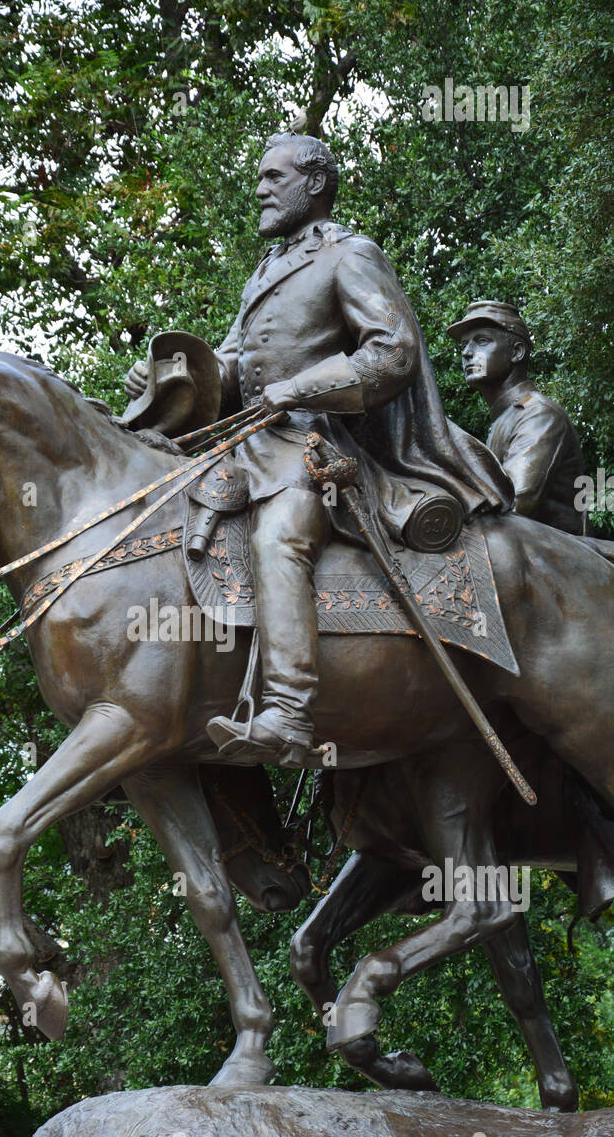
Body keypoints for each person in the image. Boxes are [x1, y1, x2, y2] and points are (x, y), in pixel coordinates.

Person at [126, 133, 513, 765]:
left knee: (279, 537)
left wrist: (298, 388)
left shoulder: (351, 255)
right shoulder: (265, 271)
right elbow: (231, 367)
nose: (259, 190)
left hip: (312, 446)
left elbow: (393, 352)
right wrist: (173, 376)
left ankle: (287, 713)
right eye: (260, 177)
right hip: (245, 443)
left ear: (313, 185)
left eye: (273, 178)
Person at [447, 300, 586, 534]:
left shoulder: (539, 415)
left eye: (482, 341)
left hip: (556, 562)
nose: (467, 352)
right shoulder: (505, 419)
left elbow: (510, 504)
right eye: (464, 344)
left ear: (517, 352)